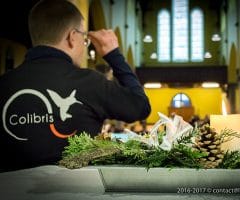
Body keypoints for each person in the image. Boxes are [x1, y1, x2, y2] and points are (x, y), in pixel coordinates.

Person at [0, 0, 151, 171]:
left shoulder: (3, 83)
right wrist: (114, 55)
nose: (84, 46)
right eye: (84, 39)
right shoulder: (90, 82)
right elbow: (140, 106)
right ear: (72, 37)